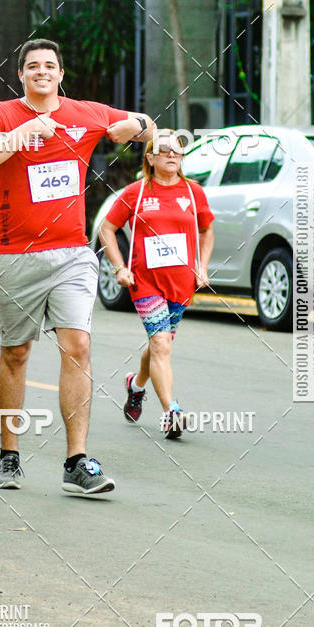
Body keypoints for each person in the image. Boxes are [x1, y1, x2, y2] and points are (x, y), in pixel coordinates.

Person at [0, 38, 155, 495]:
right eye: (33, 67)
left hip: (72, 251)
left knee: (78, 346)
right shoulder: (0, 114)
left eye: (49, 66)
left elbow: (151, 129)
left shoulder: (85, 112)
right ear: (22, 76)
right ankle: (9, 456)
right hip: (15, 254)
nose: (42, 72)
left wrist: (135, 124)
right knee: (17, 353)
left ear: (60, 74)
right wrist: (23, 135)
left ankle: (76, 460)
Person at [99, 130, 214, 438]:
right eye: (164, 150)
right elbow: (106, 229)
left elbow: (206, 230)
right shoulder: (135, 193)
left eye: (177, 150)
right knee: (161, 343)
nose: (172, 154)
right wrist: (119, 267)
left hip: (182, 284)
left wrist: (202, 267)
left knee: (159, 343)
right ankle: (171, 412)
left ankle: (135, 386)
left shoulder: (193, 192)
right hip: (145, 282)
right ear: (149, 158)